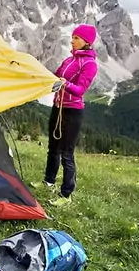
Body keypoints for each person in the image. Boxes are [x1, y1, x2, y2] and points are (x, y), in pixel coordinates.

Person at [31, 24, 99, 207]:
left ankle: (66, 194)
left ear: (87, 42)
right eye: (73, 37)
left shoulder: (90, 64)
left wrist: (65, 83)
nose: (72, 40)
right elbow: (56, 77)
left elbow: (80, 90)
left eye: (76, 38)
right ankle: (48, 181)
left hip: (72, 112)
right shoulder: (69, 60)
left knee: (66, 154)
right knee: (53, 148)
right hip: (58, 107)